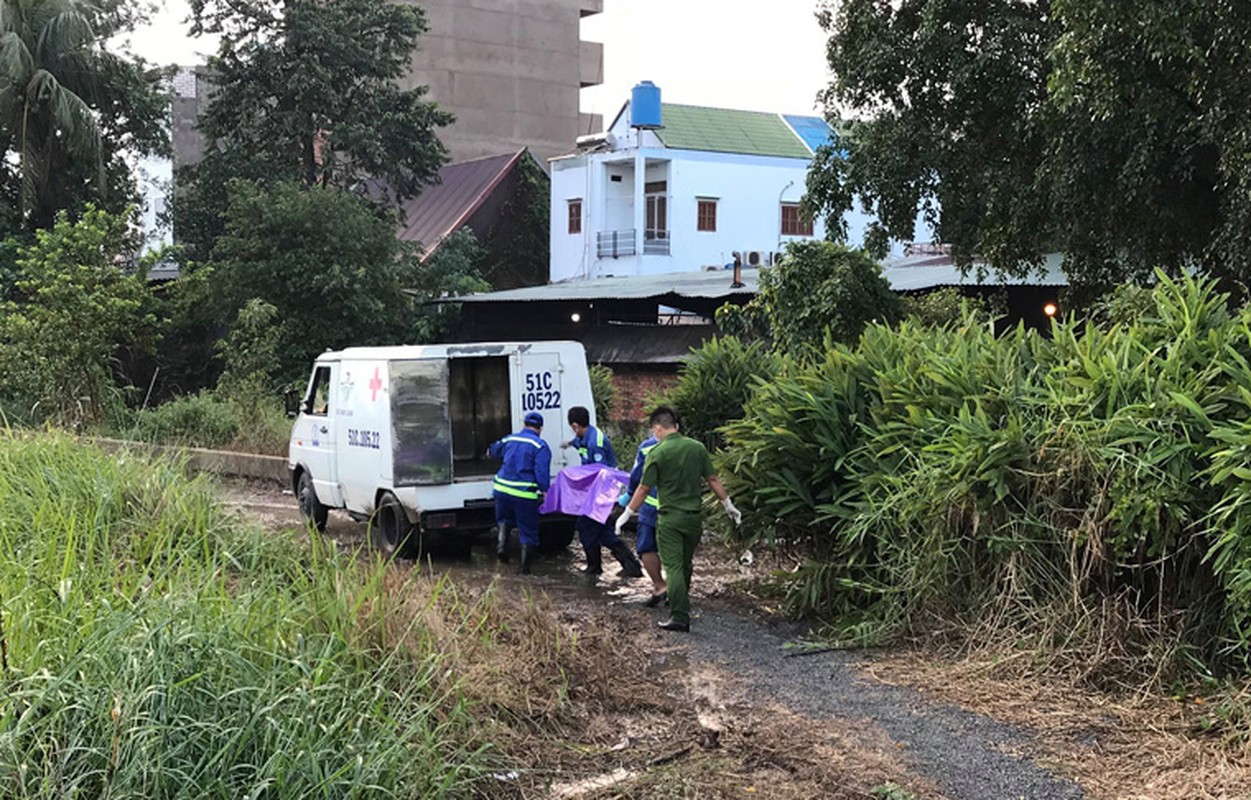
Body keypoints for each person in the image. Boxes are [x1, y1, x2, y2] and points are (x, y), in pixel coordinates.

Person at [616, 406, 741, 632]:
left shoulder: (657, 452)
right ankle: (681, 601)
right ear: (677, 426)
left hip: (669, 519)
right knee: (685, 563)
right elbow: (712, 479)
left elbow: (644, 488)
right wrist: (728, 504)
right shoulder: (697, 448)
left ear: (657, 428)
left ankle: (679, 616)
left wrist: (625, 514)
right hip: (694, 519)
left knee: (672, 566)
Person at [562, 406, 642, 578]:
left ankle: (595, 567)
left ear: (575, 425)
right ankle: (630, 565)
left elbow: (602, 472)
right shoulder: (584, 436)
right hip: (595, 491)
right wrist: (568, 444)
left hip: (601, 491)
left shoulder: (595, 443)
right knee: (603, 531)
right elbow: (578, 444)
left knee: (585, 527)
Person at [489, 411, 552, 574]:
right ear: (540, 428)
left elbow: (492, 451)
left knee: (504, 519)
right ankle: (524, 571)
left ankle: (502, 547)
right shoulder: (541, 446)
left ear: (524, 424)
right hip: (523, 494)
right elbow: (542, 474)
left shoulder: (510, 438)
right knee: (528, 531)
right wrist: (546, 491)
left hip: (501, 490)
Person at [627, 434, 667, 606]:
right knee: (676, 552)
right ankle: (678, 591)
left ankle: (660, 587)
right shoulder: (690, 447)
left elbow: (637, 478)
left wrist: (628, 499)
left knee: (646, 547)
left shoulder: (647, 446)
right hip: (679, 510)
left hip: (650, 508)